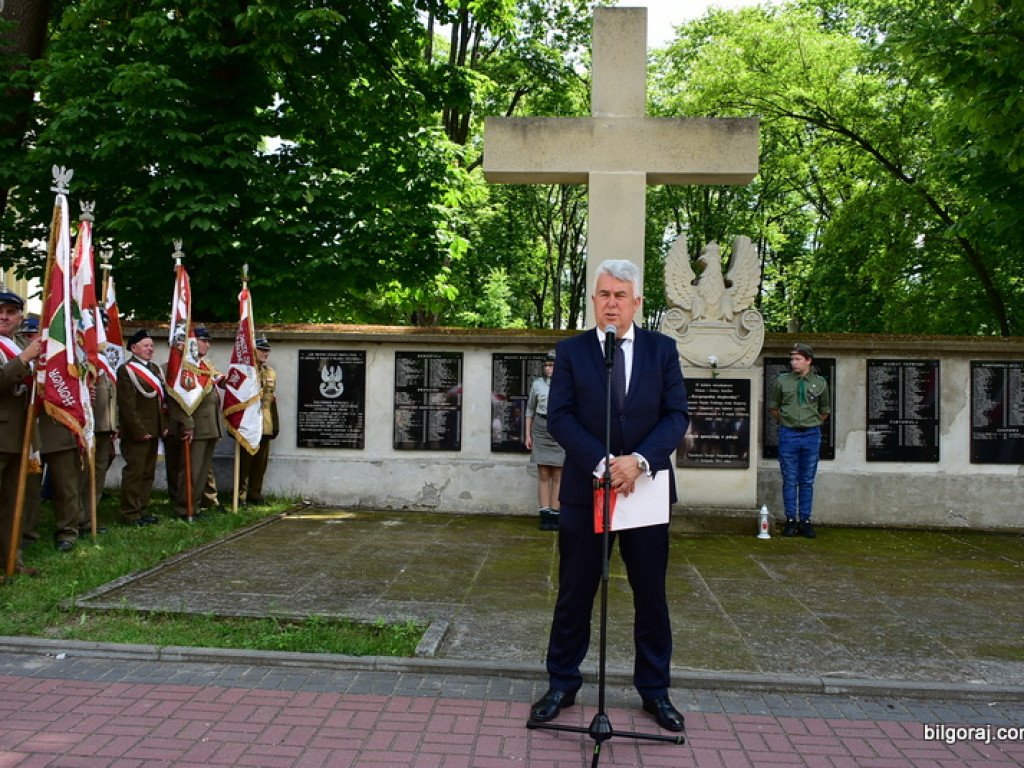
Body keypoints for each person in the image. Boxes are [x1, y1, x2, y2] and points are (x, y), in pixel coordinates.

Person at [530, 260, 690, 733]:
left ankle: (655, 692)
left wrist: (637, 461)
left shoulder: (663, 351)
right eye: (604, 295)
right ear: (594, 300)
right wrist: (603, 463)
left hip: (645, 491)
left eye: (621, 295)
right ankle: (562, 683)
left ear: (636, 302)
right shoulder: (574, 351)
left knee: (651, 596)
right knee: (575, 592)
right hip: (587, 490)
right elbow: (559, 417)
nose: (612, 303)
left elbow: (675, 414)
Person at [0, 289, 44, 579]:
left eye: (11, 313)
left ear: (20, 318)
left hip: (18, 435)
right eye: (0, 312)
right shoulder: (19, 351)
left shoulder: (15, 345)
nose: (4, 317)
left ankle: (10, 561)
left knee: (13, 503)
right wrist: (26, 358)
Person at [769, 343, 830, 538]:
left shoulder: (820, 383)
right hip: (789, 434)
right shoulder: (782, 381)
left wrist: (810, 423)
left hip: (811, 434)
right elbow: (774, 408)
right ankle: (790, 520)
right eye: (792, 359)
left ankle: (805, 521)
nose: (793, 363)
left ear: (808, 361)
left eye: (798, 359)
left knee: (807, 480)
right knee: (789, 479)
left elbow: (824, 410)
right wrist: (788, 422)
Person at [167, 326, 223, 520]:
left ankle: (195, 506)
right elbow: (176, 399)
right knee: (191, 471)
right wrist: (187, 423)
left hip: (209, 427)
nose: (207, 345)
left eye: (208, 342)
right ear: (192, 342)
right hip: (195, 427)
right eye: (203, 341)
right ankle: (184, 508)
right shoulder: (182, 367)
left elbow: (219, 381)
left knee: (201, 473)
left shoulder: (205, 366)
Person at [116, 329, 167, 526]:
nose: (150, 349)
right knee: (135, 473)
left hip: (154, 429)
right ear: (134, 348)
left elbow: (162, 402)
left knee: (148, 473)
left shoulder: (154, 369)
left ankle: (141, 509)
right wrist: (139, 431)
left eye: (152, 346)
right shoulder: (126, 370)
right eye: (146, 345)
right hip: (137, 432)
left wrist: (163, 427)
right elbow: (127, 406)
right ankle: (129, 512)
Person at [237, 335, 279, 507]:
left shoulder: (270, 373)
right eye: (262, 349)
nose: (266, 353)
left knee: (260, 464)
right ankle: (240, 497)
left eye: (267, 350)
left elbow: (272, 402)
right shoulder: (245, 372)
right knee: (244, 463)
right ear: (253, 350)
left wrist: (275, 425)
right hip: (248, 425)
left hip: (265, 425)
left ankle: (255, 494)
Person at [525, 351, 564, 531]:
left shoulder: (566, 384)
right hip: (541, 427)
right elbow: (529, 410)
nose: (549, 369)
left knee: (557, 474)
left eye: (553, 365)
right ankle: (545, 514)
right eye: (547, 365)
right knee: (543, 474)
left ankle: (555, 514)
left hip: (558, 428)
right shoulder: (537, 385)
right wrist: (528, 435)